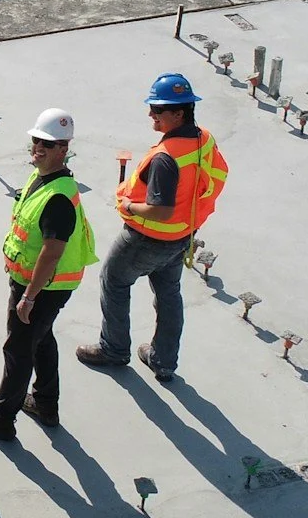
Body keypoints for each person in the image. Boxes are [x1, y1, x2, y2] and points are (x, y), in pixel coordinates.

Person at [79, 73, 230, 384]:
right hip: (182, 236)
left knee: (114, 281)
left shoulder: (165, 158)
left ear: (178, 113)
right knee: (169, 293)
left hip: (147, 239)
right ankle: (163, 361)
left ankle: (114, 349)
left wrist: (128, 206)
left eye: (158, 110)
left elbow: (160, 210)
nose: (151, 115)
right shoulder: (204, 139)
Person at [0, 109, 94, 439]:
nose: (38, 148)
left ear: (64, 148)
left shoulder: (58, 198)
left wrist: (28, 297)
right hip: (37, 284)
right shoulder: (42, 178)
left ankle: (1, 417)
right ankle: (45, 403)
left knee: (18, 348)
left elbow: (52, 252)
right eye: (36, 141)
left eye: (48, 144)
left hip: (42, 287)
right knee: (40, 338)